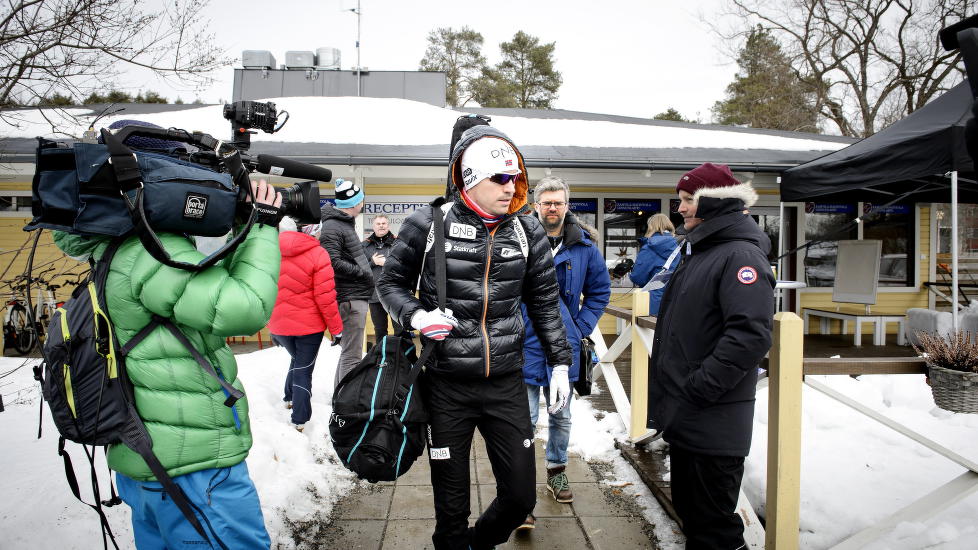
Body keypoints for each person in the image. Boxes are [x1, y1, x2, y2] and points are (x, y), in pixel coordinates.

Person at [53, 137, 283, 547]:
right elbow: (242, 307)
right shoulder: (150, 251)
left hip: (152, 455)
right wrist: (263, 228)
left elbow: (201, 295)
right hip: (192, 464)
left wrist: (241, 228)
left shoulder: (118, 246)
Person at [378, 127, 572, 550]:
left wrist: (560, 363)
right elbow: (389, 283)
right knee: (451, 506)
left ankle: (477, 543)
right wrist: (416, 315)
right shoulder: (428, 224)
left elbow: (544, 303)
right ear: (470, 180)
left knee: (520, 497)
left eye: (515, 178)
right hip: (446, 383)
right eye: (499, 179)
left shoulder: (527, 230)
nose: (511, 187)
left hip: (505, 382)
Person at [649, 162, 774, 550]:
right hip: (691, 417)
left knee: (713, 528)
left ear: (715, 204)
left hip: (713, 419)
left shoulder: (740, 257)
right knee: (694, 514)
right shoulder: (702, 250)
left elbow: (749, 335)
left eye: (688, 200)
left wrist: (698, 389)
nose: (680, 208)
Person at [519, 176, 610, 528]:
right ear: (536, 206)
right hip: (525, 347)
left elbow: (600, 292)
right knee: (522, 420)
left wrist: (579, 327)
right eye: (547, 202)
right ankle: (521, 489)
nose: (552, 207)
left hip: (565, 350)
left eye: (558, 202)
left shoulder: (585, 248)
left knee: (561, 416)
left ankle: (557, 471)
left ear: (567, 205)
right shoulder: (520, 241)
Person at [269, 217, 343, 432]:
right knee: (303, 368)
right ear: (310, 231)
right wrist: (337, 329)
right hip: (309, 326)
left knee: (297, 359)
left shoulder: (269, 252)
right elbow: (326, 297)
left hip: (279, 324)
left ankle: (289, 397)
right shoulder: (318, 253)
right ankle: (299, 419)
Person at [319, 178, 374, 386]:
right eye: (361, 200)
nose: (362, 203)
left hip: (353, 295)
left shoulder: (341, 224)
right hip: (350, 298)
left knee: (348, 353)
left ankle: (339, 396)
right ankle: (346, 404)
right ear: (353, 203)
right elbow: (331, 261)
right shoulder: (334, 226)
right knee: (352, 355)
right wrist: (360, 272)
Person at [629, 213, 680, 315]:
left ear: (651, 226)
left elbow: (638, 277)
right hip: (673, 300)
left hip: (651, 301)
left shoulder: (649, 247)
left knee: (648, 330)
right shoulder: (676, 246)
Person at [362, 214, 401, 346]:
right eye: (378, 224)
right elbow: (358, 269)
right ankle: (380, 361)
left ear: (388, 225)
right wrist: (373, 262)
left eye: (384, 223)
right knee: (380, 331)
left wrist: (388, 263)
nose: (381, 226)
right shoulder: (365, 245)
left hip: (395, 294)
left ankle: (403, 361)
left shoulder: (398, 243)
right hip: (375, 295)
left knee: (400, 330)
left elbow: (407, 265)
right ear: (373, 226)